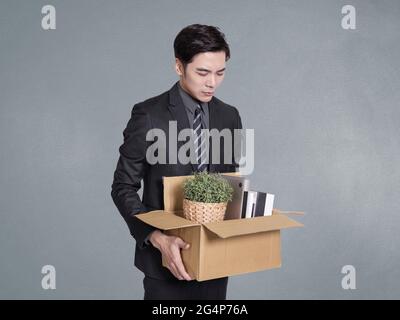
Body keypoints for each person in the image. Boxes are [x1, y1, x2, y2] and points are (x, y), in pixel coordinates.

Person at [111, 24, 243, 300]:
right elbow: (123, 186)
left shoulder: (229, 116)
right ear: (179, 67)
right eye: (203, 72)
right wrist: (156, 238)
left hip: (215, 263)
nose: (212, 83)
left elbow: (228, 185)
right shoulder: (148, 114)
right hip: (164, 264)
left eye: (220, 73)